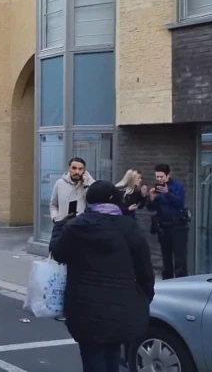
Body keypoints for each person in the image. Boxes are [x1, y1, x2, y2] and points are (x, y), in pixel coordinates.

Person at [49, 180, 155, 372]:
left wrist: (59, 225)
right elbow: (145, 271)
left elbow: (58, 253)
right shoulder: (129, 227)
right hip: (122, 307)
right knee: (113, 353)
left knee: (92, 357)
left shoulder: (76, 226)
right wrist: (144, 298)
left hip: (84, 308)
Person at [146, 163, 189, 279]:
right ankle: (167, 280)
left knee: (180, 257)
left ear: (168, 175)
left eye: (161, 176)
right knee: (166, 256)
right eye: (157, 177)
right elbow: (151, 208)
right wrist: (151, 198)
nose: (159, 179)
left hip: (178, 226)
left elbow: (179, 204)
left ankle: (182, 281)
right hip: (163, 226)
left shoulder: (177, 186)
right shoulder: (156, 188)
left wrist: (167, 193)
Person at [50, 157, 95, 223]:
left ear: (84, 171)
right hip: (62, 225)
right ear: (69, 169)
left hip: (82, 226)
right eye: (74, 168)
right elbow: (53, 204)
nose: (77, 171)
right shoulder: (59, 183)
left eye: (80, 169)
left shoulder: (90, 184)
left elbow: (93, 203)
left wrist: (86, 184)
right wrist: (55, 218)